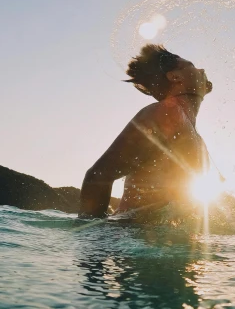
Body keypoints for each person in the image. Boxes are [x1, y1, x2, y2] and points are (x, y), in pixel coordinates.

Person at [78, 44, 213, 219]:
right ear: (175, 77)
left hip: (154, 242)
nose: (201, 69)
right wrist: (102, 244)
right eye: (192, 65)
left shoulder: (189, 128)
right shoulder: (165, 114)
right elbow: (97, 177)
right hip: (130, 240)